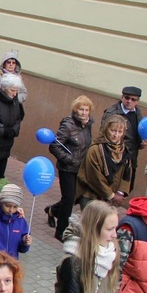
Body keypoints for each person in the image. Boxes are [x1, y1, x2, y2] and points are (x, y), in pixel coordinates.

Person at [45, 95, 94, 240]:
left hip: (81, 168)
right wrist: (70, 159)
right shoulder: (68, 125)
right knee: (68, 198)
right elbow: (54, 146)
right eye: (81, 109)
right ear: (75, 110)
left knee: (74, 198)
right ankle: (61, 231)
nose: (84, 113)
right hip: (67, 168)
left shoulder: (88, 125)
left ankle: (52, 210)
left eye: (86, 110)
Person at [75, 114, 131, 210]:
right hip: (91, 195)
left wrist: (120, 192)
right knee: (92, 223)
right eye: (113, 130)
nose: (116, 135)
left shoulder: (124, 150)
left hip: (111, 198)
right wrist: (111, 195)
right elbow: (94, 176)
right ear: (106, 129)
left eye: (120, 132)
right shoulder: (95, 149)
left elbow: (127, 174)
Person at [101, 86, 145, 191]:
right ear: (122, 97)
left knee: (126, 189)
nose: (129, 101)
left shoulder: (137, 113)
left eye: (133, 99)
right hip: (115, 158)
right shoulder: (112, 113)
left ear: (137, 101)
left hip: (131, 158)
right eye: (127, 98)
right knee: (111, 190)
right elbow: (103, 135)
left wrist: (141, 143)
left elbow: (136, 133)